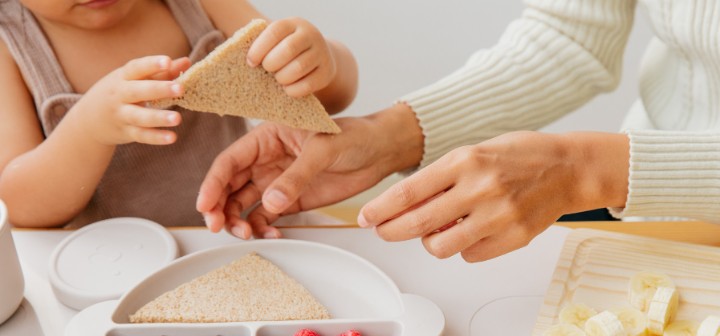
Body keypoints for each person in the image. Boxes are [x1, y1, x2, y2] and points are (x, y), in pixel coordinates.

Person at [197, 0, 720, 262]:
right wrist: (391, 135)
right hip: (644, 223)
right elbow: (573, 35)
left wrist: (590, 169)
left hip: (631, 189)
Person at [0, 0, 357, 228]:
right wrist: (87, 130)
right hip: (121, 270)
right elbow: (18, 204)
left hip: (259, 221)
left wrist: (322, 60)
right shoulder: (9, 45)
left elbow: (329, 99)